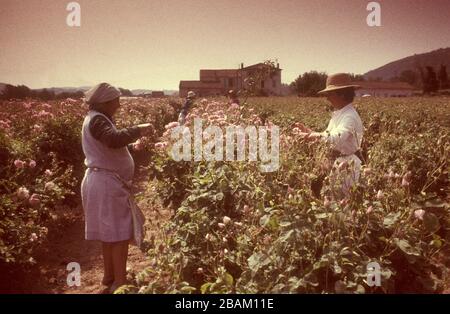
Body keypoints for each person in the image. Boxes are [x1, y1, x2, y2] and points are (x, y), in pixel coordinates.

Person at [80, 82, 153, 293]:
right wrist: (138, 130)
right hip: (105, 184)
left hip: (101, 181)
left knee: (108, 233)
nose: (119, 105)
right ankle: (120, 283)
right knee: (119, 234)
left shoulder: (94, 119)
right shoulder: (98, 120)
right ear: (105, 102)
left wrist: (130, 146)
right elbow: (112, 140)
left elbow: (107, 146)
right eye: (116, 101)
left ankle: (109, 275)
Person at [297, 73, 364, 199]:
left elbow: (336, 138)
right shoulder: (340, 113)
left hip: (347, 165)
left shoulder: (349, 116)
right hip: (339, 163)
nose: (327, 98)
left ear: (342, 94)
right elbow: (328, 136)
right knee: (333, 201)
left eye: (329, 94)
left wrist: (310, 136)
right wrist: (309, 132)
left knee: (341, 205)